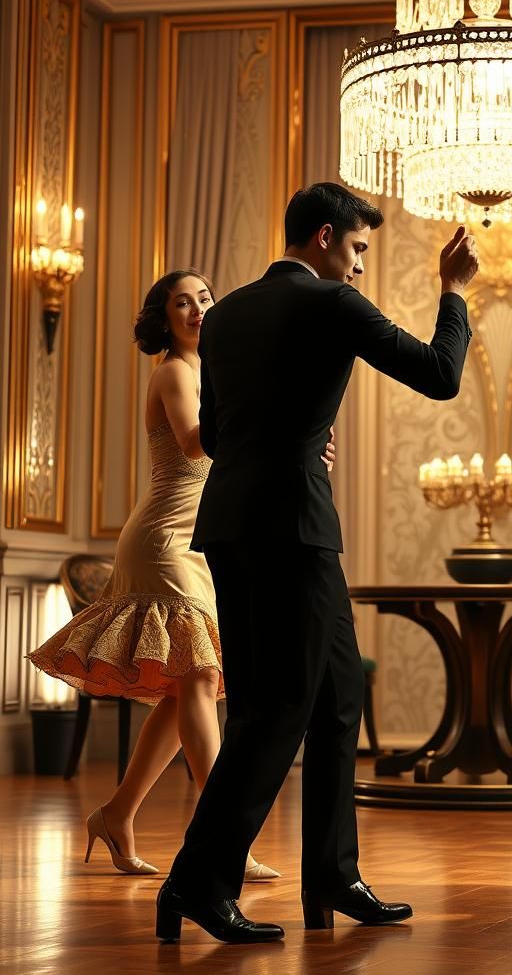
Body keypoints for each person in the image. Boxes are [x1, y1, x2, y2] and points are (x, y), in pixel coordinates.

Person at [155, 182, 478, 944]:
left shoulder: (227, 313)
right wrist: (453, 291)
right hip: (294, 527)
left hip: (232, 523)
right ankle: (197, 883)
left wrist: (297, 440)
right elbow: (440, 374)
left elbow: (218, 436)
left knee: (336, 697)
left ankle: (332, 874)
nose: (361, 265)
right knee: (277, 710)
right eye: (359, 248)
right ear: (327, 237)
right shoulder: (333, 302)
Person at [29, 268, 334, 878]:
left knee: (183, 689)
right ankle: (227, 837)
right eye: (182, 304)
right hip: (163, 540)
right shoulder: (173, 371)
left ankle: (116, 814)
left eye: (205, 299)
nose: (198, 310)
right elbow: (198, 444)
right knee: (199, 676)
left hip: (202, 543)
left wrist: (293, 447)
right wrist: (275, 429)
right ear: (164, 320)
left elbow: (239, 452)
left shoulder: (217, 372)